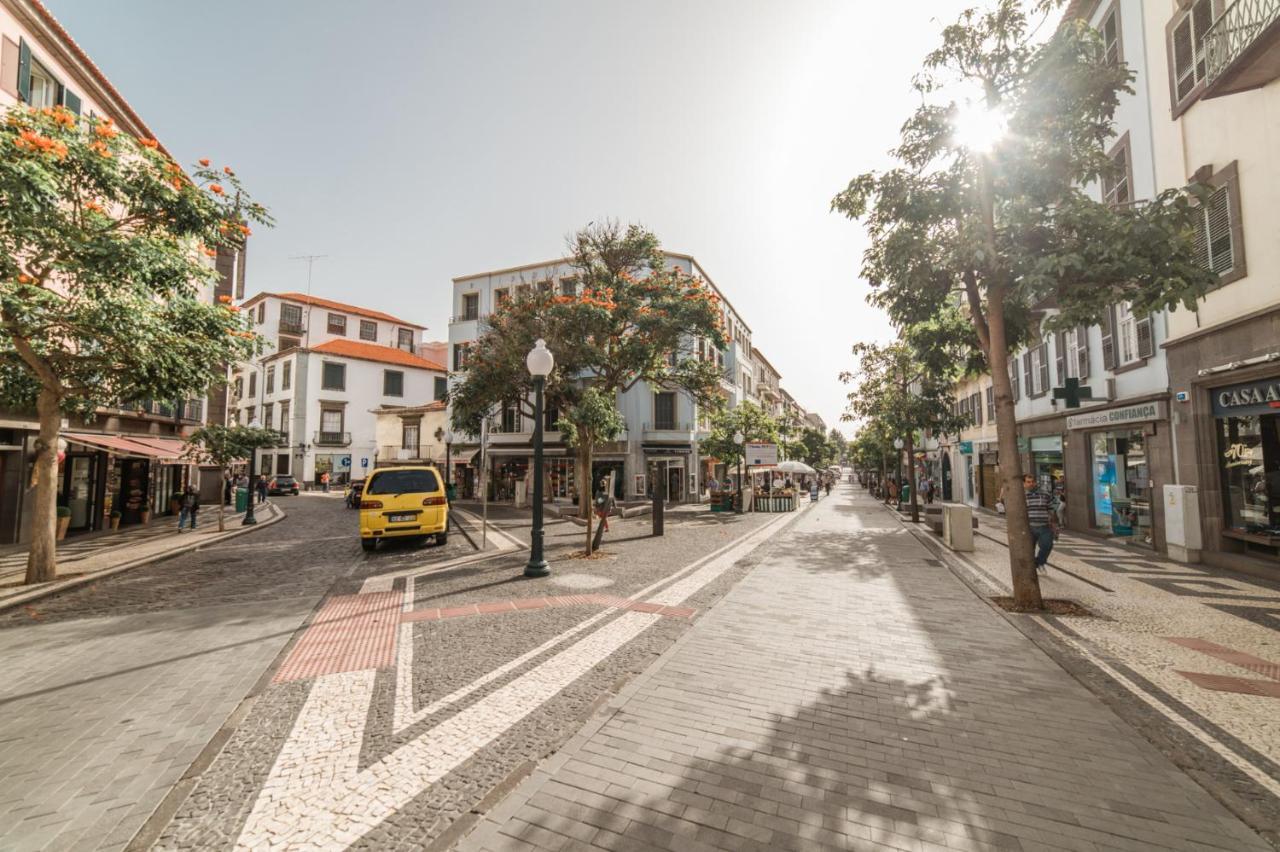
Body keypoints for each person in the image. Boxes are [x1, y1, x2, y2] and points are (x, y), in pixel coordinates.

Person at [1023, 473, 1059, 573]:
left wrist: (1055, 525)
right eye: (1028, 482)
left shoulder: (1045, 494)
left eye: (1032, 482)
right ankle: (1032, 567)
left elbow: (1052, 509)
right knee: (1029, 549)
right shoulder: (1021, 496)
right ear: (1024, 483)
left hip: (1044, 526)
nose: (1031, 484)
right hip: (1029, 527)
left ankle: (1039, 562)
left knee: (1047, 545)